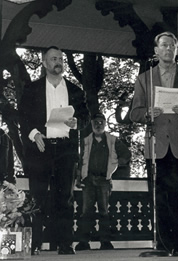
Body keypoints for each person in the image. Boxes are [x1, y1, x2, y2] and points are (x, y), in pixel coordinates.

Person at [130, 32, 178, 256]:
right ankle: (164, 245)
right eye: (163, 45)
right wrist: (147, 113)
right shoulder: (145, 78)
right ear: (156, 51)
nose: (168, 49)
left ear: (176, 50)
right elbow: (133, 112)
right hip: (156, 145)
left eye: (172, 46)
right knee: (160, 196)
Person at [18, 46, 90, 255]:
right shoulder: (31, 89)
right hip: (40, 148)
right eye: (53, 59)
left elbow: (86, 117)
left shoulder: (76, 90)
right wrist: (34, 134)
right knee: (37, 197)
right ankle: (34, 244)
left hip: (66, 149)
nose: (58, 62)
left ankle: (65, 243)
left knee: (65, 198)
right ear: (44, 63)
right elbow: (23, 117)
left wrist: (78, 122)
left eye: (60, 58)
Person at [75, 112, 131, 251]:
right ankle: (84, 242)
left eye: (101, 122)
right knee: (86, 211)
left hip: (104, 180)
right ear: (92, 124)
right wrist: (78, 178)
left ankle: (105, 241)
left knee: (104, 211)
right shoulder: (86, 140)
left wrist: (117, 164)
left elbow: (126, 154)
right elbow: (80, 161)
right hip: (88, 180)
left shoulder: (112, 140)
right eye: (95, 122)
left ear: (105, 124)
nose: (98, 125)